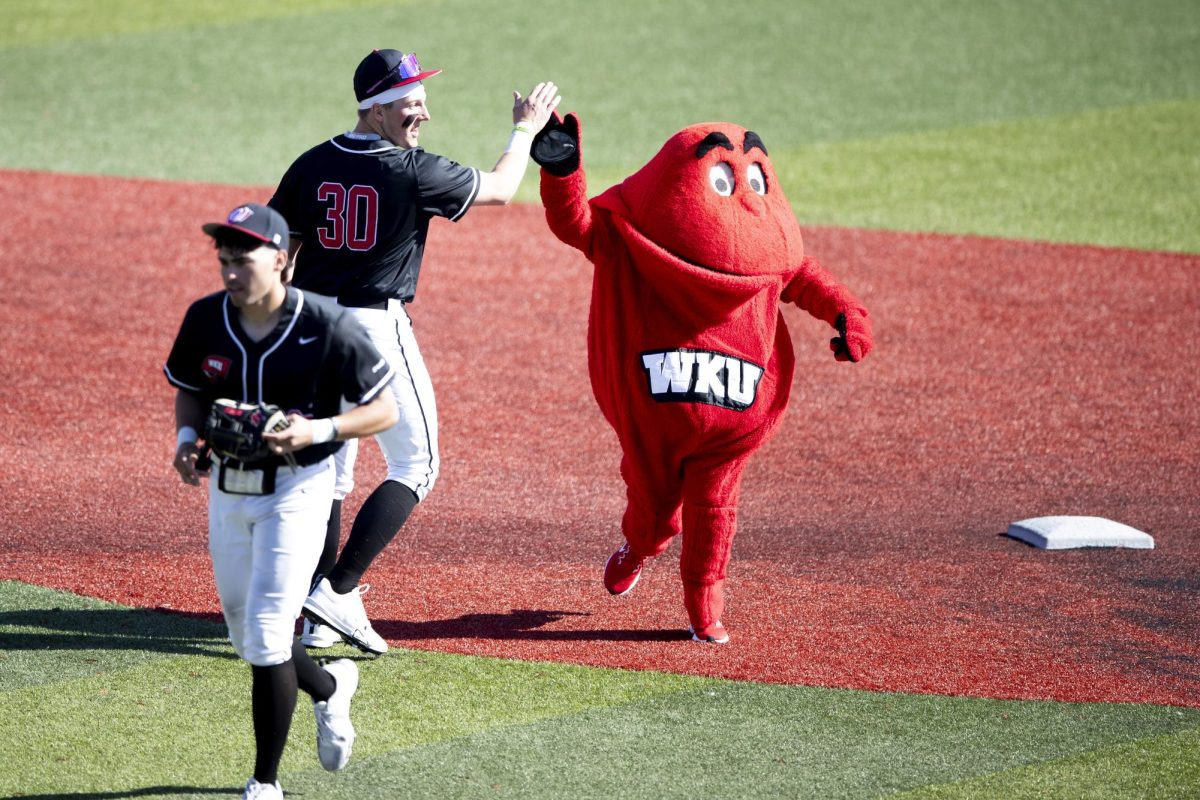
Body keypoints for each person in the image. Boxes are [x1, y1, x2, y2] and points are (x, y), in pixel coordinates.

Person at [267, 48, 561, 655]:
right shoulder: (411, 169)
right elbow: (504, 188)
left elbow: (280, 247)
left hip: (312, 326)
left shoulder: (312, 162)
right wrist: (524, 128)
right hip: (373, 329)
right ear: (374, 108)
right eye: (410, 99)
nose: (422, 109)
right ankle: (338, 592)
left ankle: (318, 617)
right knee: (417, 466)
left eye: (422, 95)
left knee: (332, 472)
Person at [165, 202, 400, 800]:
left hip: (299, 490)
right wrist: (187, 441)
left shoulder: (327, 325)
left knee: (269, 631)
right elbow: (191, 391)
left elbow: (384, 410)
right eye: (224, 258)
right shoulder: (206, 318)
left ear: (280, 259)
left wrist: (317, 431)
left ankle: (264, 782)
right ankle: (329, 687)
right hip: (228, 489)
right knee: (249, 634)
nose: (230, 269)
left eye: (242, 258)